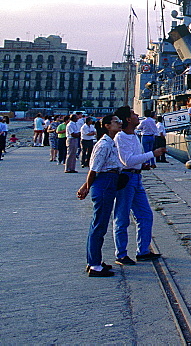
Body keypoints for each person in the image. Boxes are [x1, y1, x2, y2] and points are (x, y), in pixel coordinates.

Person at [113, 106, 167, 265]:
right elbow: (127, 161)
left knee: (145, 215)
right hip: (126, 179)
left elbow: (134, 158)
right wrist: (152, 155)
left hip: (136, 177)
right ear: (128, 120)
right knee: (122, 218)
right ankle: (121, 254)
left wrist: (142, 165)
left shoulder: (134, 135)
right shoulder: (121, 137)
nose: (137, 115)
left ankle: (143, 251)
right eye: (133, 114)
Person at [77, 114, 124, 277]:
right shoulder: (103, 145)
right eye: (115, 122)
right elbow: (94, 169)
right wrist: (86, 187)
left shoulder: (111, 143)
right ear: (106, 126)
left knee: (100, 224)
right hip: (104, 183)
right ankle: (94, 265)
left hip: (109, 181)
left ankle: (95, 259)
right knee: (99, 224)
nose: (119, 123)